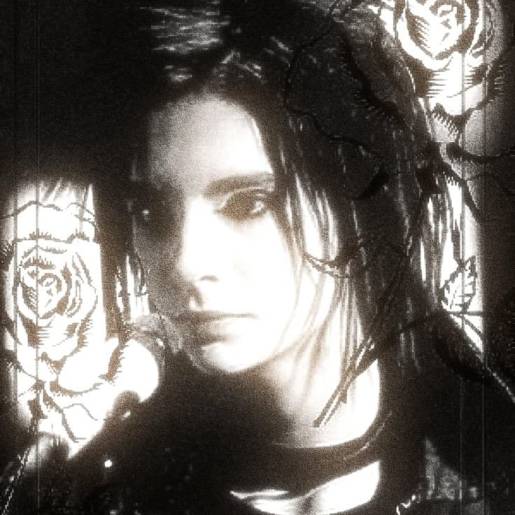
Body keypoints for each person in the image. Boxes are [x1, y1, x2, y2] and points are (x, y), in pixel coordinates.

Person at [3, 1, 515, 514]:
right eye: (150, 211)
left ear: (358, 197)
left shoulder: (489, 472)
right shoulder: (107, 484)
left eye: (248, 204)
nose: (185, 263)